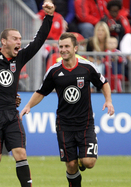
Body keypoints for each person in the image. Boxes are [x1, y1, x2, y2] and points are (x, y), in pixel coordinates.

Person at [19, 32, 114, 187]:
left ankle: (82, 161)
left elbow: (103, 83)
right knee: (70, 165)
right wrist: (28, 105)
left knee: (88, 162)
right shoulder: (54, 71)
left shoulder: (87, 67)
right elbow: (42, 91)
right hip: (64, 125)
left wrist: (108, 101)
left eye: (67, 46)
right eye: (61, 46)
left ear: (75, 48)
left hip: (85, 123)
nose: (63, 49)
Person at [0, 1, 54, 187]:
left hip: (12, 113)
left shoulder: (19, 57)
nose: (19, 42)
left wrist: (49, 17)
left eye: (20, 39)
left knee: (20, 153)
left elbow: (38, 41)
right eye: (15, 39)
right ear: (4, 41)